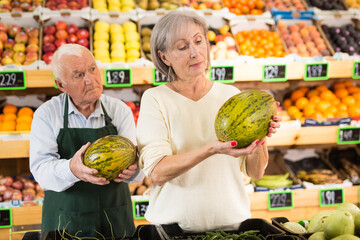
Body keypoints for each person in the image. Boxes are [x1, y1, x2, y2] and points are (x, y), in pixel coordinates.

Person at [136, 10, 282, 233]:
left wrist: (260, 138)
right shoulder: (156, 99)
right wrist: (211, 150)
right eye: (183, 47)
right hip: (174, 230)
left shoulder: (231, 95)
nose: (195, 52)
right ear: (164, 57)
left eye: (198, 41)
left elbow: (256, 173)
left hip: (233, 226)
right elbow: (157, 171)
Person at [29, 44, 144, 238]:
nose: (90, 80)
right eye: (78, 75)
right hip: (65, 221)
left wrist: (135, 167)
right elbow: (41, 171)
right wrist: (72, 169)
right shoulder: (47, 115)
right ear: (61, 85)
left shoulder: (119, 110)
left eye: (92, 69)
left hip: (115, 217)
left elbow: (137, 166)